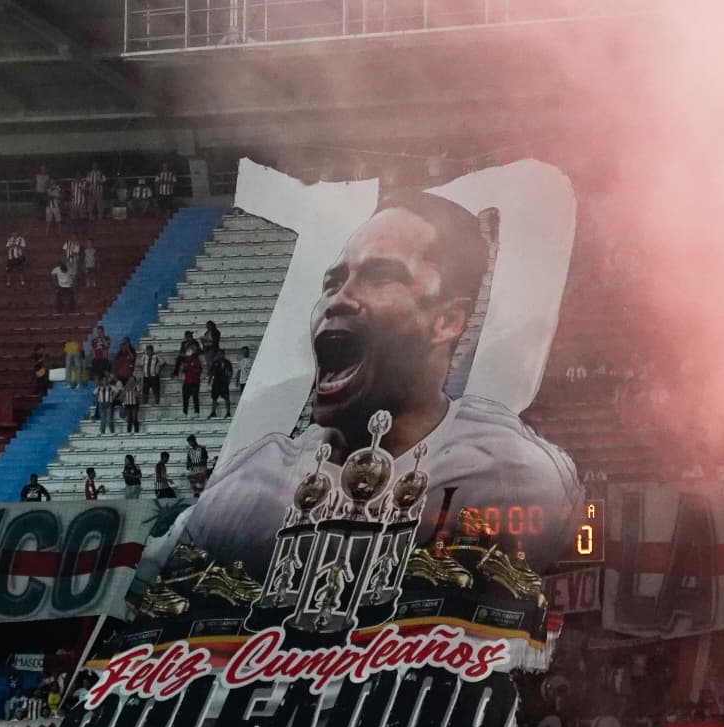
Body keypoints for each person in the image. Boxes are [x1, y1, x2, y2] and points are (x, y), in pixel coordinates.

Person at [174, 191, 580, 570]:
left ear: (448, 320)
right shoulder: (252, 483)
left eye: (380, 276)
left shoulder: (506, 472)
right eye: (332, 283)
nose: (339, 299)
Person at [208, 348, 233, 418]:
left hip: (224, 382)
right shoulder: (215, 362)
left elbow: (230, 373)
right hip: (216, 382)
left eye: (221, 354)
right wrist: (210, 380)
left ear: (224, 354)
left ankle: (228, 412)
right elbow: (211, 372)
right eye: (219, 354)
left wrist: (228, 381)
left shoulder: (227, 363)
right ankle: (213, 412)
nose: (220, 355)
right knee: (214, 398)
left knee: (227, 398)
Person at [181, 346, 202, 416]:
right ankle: (185, 412)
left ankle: (197, 412)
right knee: (185, 398)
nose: (188, 358)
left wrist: (190, 367)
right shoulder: (185, 361)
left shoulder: (196, 360)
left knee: (195, 397)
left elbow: (199, 370)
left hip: (195, 382)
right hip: (187, 381)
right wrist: (185, 367)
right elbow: (183, 371)